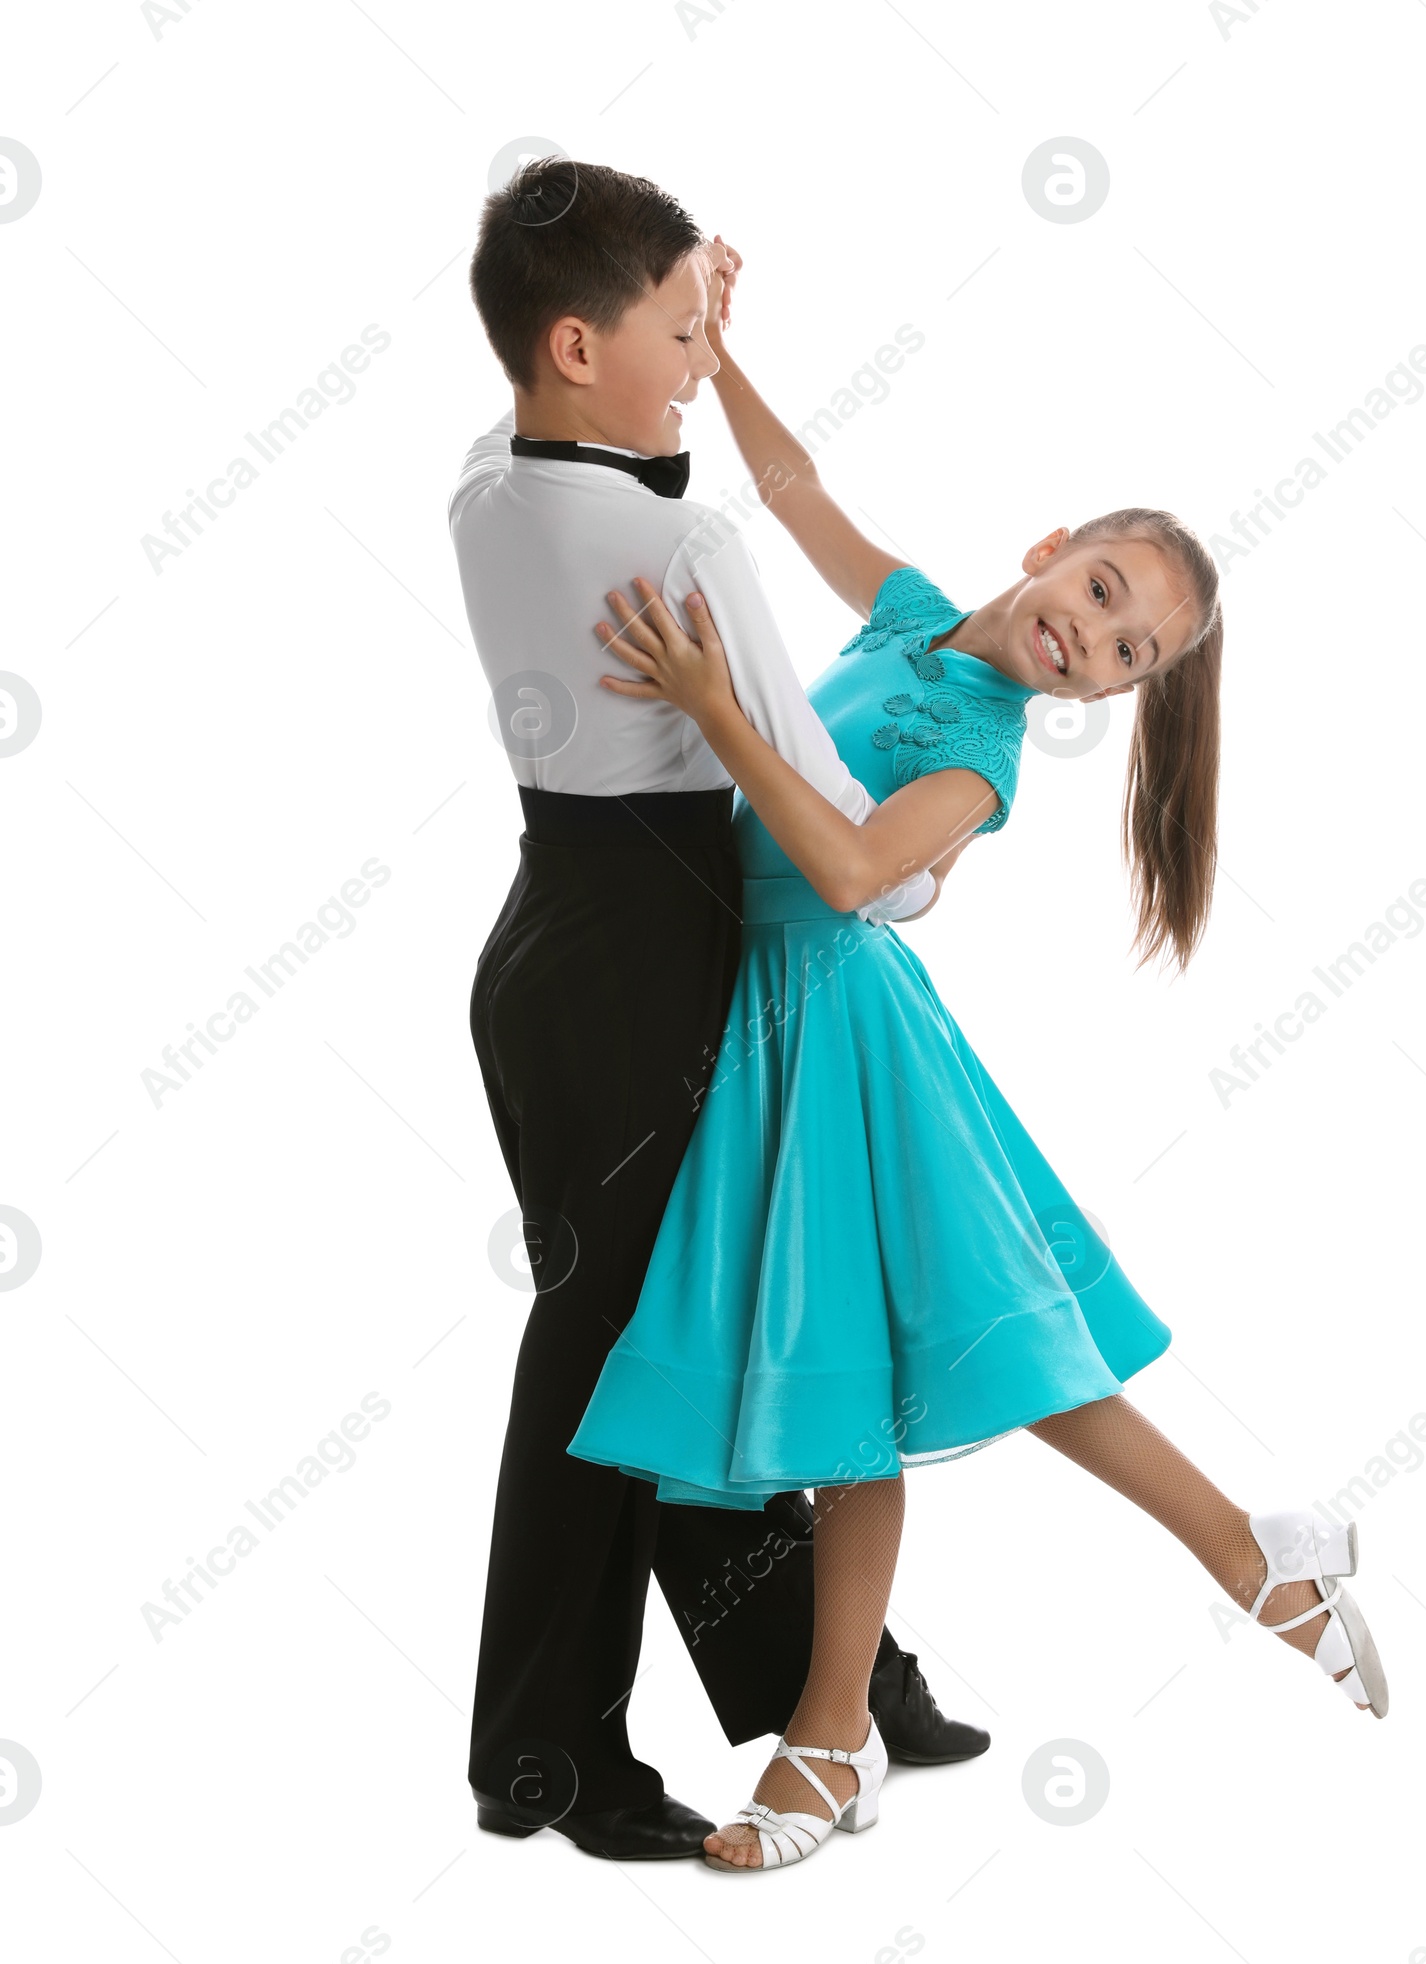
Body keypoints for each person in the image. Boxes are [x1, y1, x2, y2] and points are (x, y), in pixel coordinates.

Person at [567, 252, 1391, 1871]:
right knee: (912, 1383)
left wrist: (712, 703)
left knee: (917, 1383)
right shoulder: (913, 612)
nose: (1090, 638)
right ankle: (1244, 1563)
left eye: (1128, 650)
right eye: (1097, 590)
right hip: (764, 1029)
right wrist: (719, 357)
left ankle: (839, 1736)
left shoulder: (981, 756)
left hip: (845, 1043)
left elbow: (857, 871)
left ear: (1122, 694)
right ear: (1050, 549)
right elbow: (797, 492)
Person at [448, 158, 986, 1863]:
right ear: (576, 343)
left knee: (685, 1329)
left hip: (552, 943)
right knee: (620, 1365)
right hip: (648, 974)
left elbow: (615, 458)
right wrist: (926, 870)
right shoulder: (687, 544)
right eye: (680, 332)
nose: (700, 359)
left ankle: (832, 1677)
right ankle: (548, 1757)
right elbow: (837, 821)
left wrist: (689, 322)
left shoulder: (485, 485)